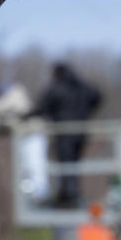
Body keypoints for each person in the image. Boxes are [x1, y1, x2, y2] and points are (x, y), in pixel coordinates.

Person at [26, 62, 102, 206]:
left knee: (66, 164)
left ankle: (68, 196)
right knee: (73, 164)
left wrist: (27, 115)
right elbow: (97, 96)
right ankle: (72, 194)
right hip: (81, 132)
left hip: (64, 133)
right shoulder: (83, 86)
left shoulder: (57, 88)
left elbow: (43, 107)